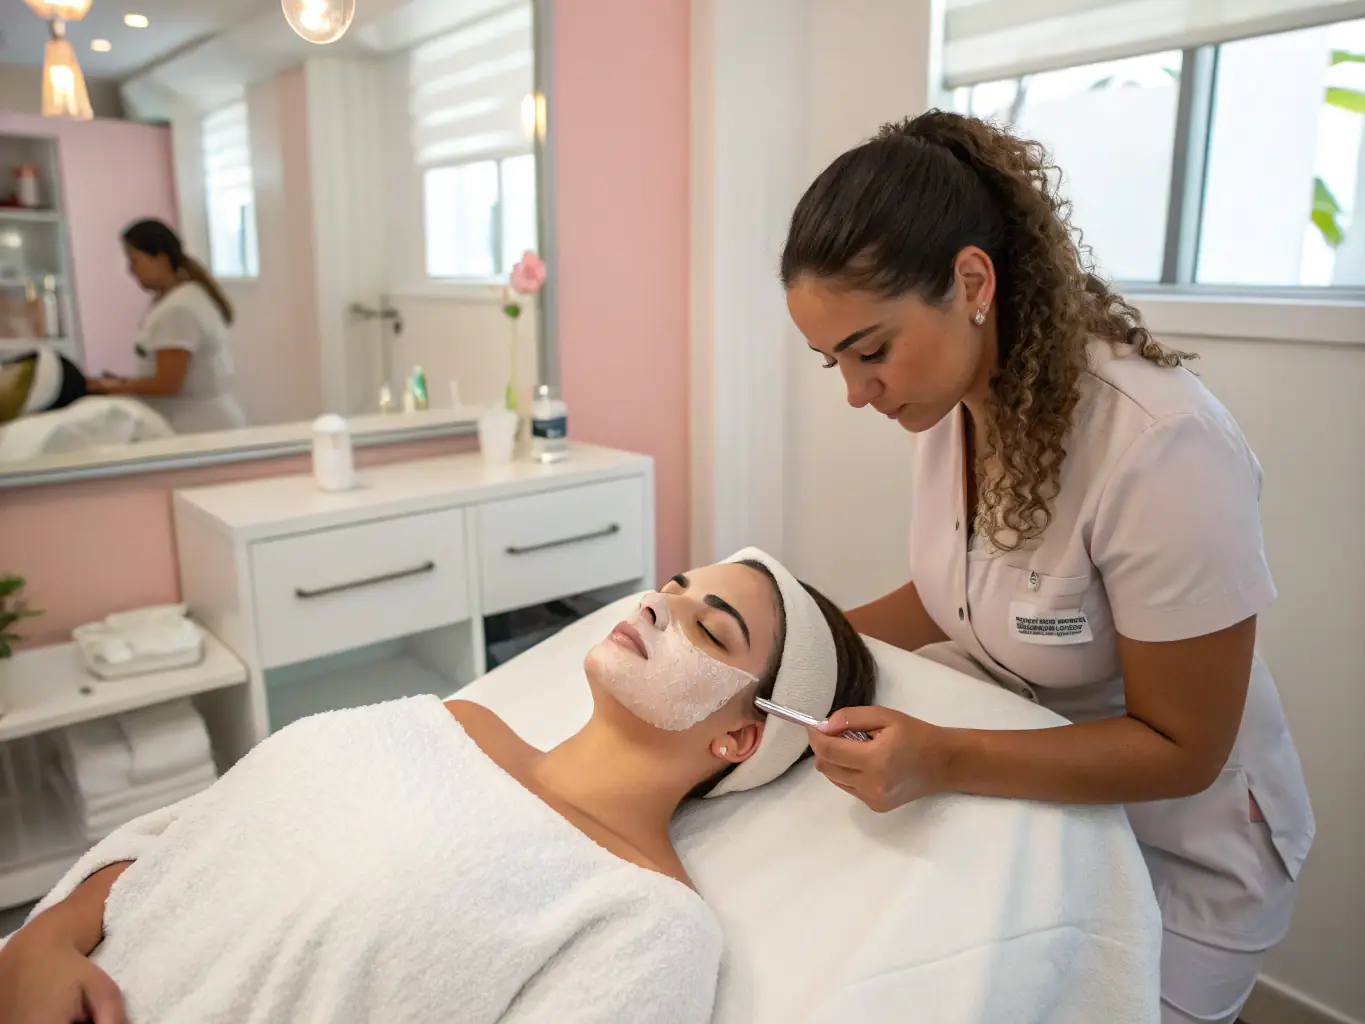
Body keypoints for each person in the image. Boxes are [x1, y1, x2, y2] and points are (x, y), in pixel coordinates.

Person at [780, 110, 1313, 1024]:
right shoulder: (955, 402)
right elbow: (964, 591)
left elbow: (1183, 747)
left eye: (869, 350)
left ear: (971, 280)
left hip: (1182, 850)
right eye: (832, 360)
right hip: (1050, 821)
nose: (854, 391)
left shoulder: (1161, 448)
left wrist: (941, 758)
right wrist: (791, 630)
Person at [0, 550, 876, 1024]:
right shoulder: (450, 720)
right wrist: (39, 946)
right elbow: (197, 831)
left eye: (708, 629)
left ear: (740, 735)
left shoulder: (648, 922)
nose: (653, 604)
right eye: (674, 586)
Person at [85, 219, 246, 434]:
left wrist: (117, 387)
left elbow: (167, 383)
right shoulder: (175, 300)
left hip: (200, 426)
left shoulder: (179, 309)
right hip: (193, 421)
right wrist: (123, 383)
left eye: (134, 261)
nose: (130, 270)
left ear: (160, 258)